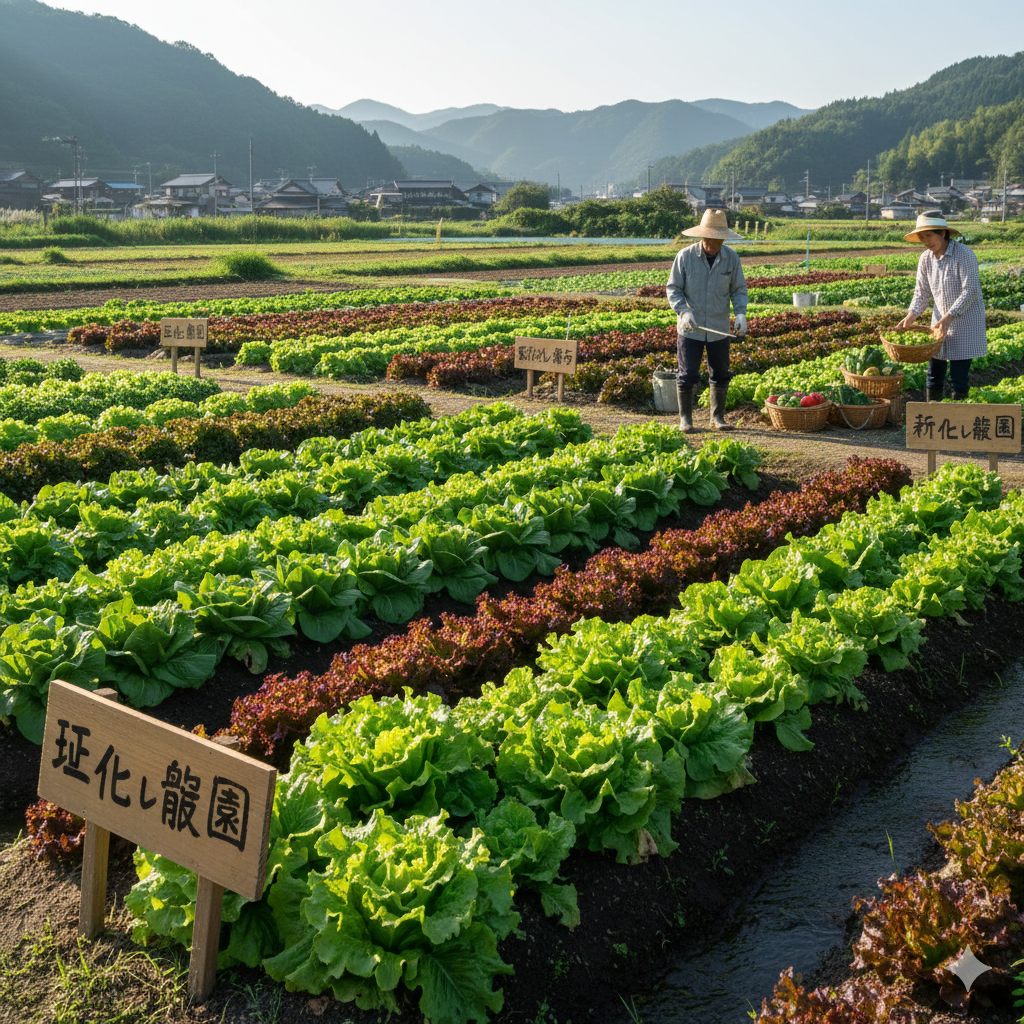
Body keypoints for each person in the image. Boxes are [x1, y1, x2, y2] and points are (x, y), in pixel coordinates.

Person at [666, 207, 748, 432]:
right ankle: (685, 420)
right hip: (690, 328)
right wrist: (683, 311)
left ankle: (717, 418)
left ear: (724, 239)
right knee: (687, 374)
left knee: (720, 373)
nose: (713, 244)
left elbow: (738, 289)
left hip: (718, 327)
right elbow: (673, 288)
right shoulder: (685, 256)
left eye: (718, 240)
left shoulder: (731, 258)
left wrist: (741, 313)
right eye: (710, 239)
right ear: (702, 236)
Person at [897, 211, 986, 401]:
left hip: (964, 324)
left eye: (929, 235)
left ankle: (958, 413)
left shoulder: (964, 254)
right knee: (933, 374)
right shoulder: (925, 259)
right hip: (939, 325)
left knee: (958, 377)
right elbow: (921, 293)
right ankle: (932, 413)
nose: (925, 241)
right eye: (922, 237)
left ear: (943, 233)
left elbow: (969, 291)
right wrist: (911, 315)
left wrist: (949, 316)